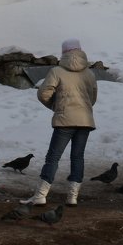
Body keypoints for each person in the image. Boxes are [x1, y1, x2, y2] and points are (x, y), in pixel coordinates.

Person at [21, 38, 98, 207]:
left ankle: (40, 195)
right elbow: (92, 98)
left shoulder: (57, 71)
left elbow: (43, 93)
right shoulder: (89, 73)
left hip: (64, 120)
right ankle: (72, 197)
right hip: (85, 121)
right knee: (77, 158)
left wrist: (56, 107)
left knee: (53, 158)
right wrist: (83, 109)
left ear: (63, 53)